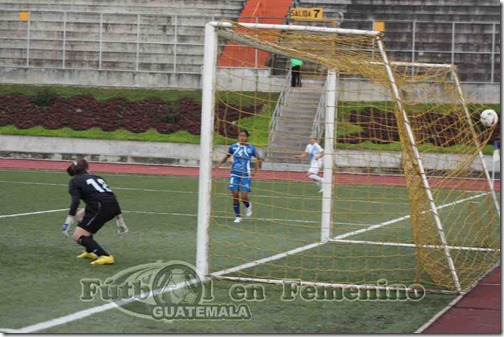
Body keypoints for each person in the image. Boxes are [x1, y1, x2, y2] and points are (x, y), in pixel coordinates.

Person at [61, 159, 128, 265]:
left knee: (77, 236)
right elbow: (111, 196)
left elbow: (76, 201)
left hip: (100, 207)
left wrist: (69, 218)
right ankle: (89, 251)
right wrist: (120, 219)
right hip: (112, 205)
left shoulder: (74, 181)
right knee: (80, 215)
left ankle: (105, 256)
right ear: (87, 168)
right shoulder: (97, 177)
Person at [213, 129, 262, 223]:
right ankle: (238, 216)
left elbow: (259, 159)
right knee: (235, 195)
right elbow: (227, 156)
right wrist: (218, 165)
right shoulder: (234, 147)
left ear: (247, 137)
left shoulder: (251, 148)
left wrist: (255, 171)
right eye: (240, 136)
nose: (242, 138)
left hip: (246, 175)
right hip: (234, 173)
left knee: (244, 196)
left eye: (244, 136)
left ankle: (248, 205)